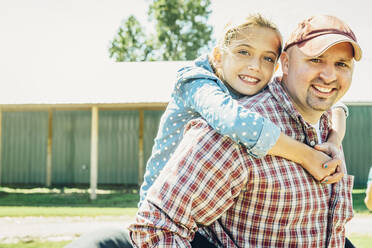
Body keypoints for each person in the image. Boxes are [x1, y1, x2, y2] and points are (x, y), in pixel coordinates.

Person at [65, 14, 347, 248]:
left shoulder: (264, 94)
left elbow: (339, 107)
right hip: (167, 206)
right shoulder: (198, 83)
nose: (254, 66)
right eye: (243, 52)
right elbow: (235, 121)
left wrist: (334, 137)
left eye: (266, 58)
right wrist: (306, 156)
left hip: (204, 208)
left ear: (277, 64)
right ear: (217, 56)